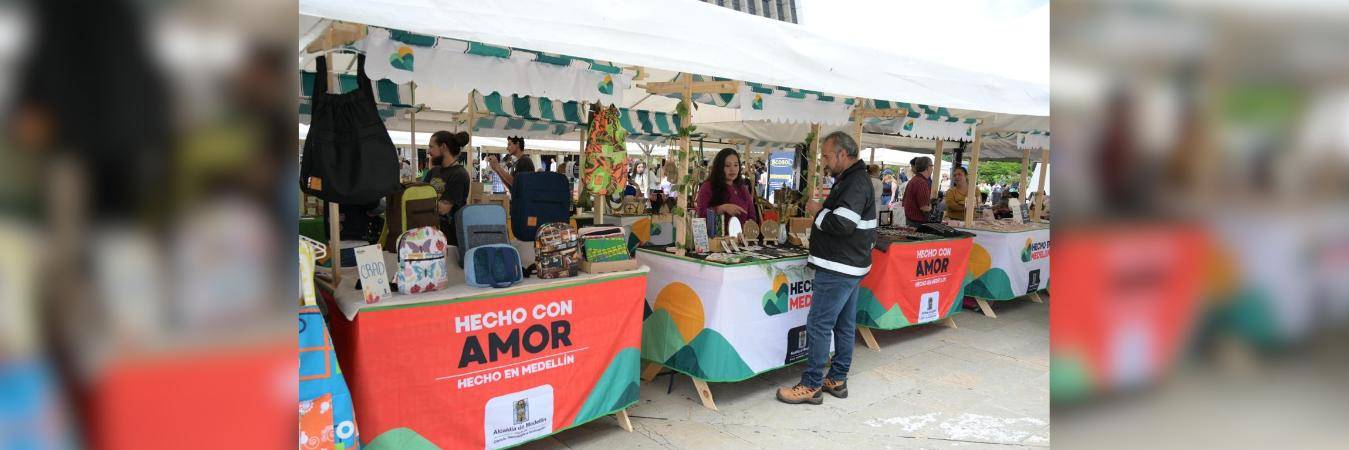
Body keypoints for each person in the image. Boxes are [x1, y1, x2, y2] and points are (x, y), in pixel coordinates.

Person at [776, 131, 876, 405]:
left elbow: (843, 223)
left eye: (828, 156)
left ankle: (811, 384)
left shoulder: (854, 182)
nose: (824, 162)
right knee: (844, 324)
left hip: (839, 265)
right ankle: (838, 377)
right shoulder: (853, 179)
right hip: (850, 265)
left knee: (819, 324)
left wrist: (818, 211)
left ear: (844, 154)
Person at [423, 130, 471, 244]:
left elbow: (443, 209)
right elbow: (421, 192)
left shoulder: (459, 174)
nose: (429, 151)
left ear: (443, 147)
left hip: (449, 240)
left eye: (431, 147)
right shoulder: (434, 171)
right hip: (428, 236)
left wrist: (422, 201)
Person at [695, 148, 758, 223]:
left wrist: (749, 225)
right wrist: (722, 208)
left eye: (736, 165)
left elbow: (752, 215)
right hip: (716, 234)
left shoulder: (742, 188)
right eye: (727, 165)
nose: (732, 169)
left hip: (741, 234)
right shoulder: (707, 187)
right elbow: (701, 215)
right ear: (719, 167)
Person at [901, 156, 934, 224]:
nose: (932, 168)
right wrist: (932, 208)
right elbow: (924, 207)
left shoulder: (915, 180)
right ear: (928, 167)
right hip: (917, 222)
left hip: (911, 219)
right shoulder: (921, 182)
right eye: (932, 166)